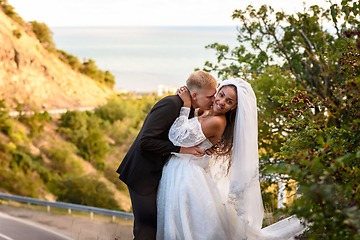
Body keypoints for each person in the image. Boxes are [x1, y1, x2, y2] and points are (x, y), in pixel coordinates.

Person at [156, 78, 304, 240]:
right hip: (179, 170)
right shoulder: (205, 113)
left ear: (234, 106)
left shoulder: (217, 121)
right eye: (221, 95)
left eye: (229, 101)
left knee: (192, 228)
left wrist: (185, 105)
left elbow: (176, 137)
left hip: (187, 177)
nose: (221, 102)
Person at [116, 70, 218, 240]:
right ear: (194, 95)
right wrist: (182, 150)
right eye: (210, 97)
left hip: (160, 174)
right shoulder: (170, 104)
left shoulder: (190, 108)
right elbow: (146, 141)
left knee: (158, 227)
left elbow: (184, 134)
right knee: (146, 229)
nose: (213, 100)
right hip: (143, 174)